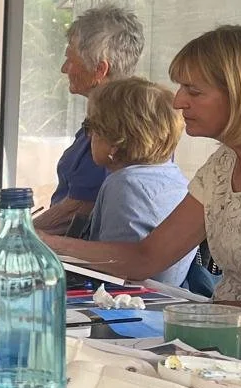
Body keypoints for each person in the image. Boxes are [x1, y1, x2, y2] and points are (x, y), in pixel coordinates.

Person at [44, 25, 241, 311]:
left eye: (194, 91)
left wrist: (206, 315)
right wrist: (43, 243)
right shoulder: (222, 165)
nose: (178, 101)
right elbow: (147, 257)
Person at [32, 5, 145, 235]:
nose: (64, 69)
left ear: (100, 69)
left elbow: (77, 210)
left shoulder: (116, 128)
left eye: (70, 59)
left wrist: (12, 234)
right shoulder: (110, 116)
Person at [82, 77, 196, 287]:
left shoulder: (124, 185)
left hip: (132, 300)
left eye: (91, 126)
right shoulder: (173, 175)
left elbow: (114, 272)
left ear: (116, 140)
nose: (88, 136)